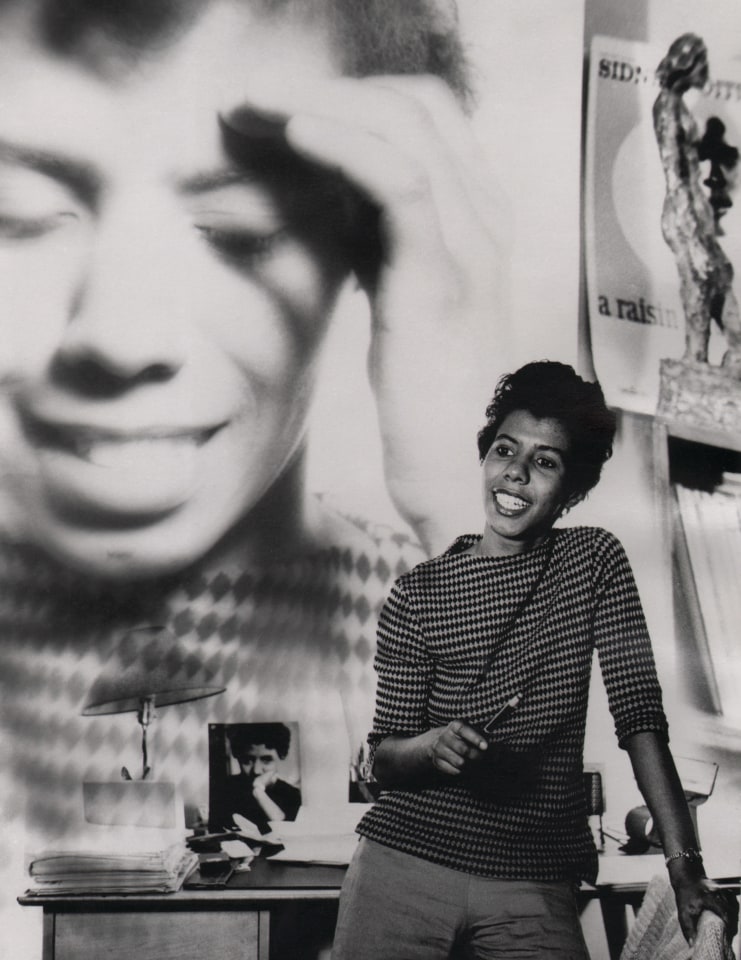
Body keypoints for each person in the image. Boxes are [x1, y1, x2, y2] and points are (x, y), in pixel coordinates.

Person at [0, 2, 505, 956]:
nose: (122, 332)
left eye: (239, 229)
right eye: (18, 219)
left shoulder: (422, 608)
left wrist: (459, 485)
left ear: (369, 255)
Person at [333, 361, 737, 960]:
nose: (517, 472)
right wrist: (432, 745)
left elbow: (640, 718)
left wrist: (685, 866)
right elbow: (385, 762)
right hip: (404, 862)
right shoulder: (417, 593)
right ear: (485, 456)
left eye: (545, 461)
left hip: (535, 875)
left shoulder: (595, 561)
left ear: (572, 490)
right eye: (505, 450)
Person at [653, 32, 741, 374]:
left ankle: (735, 352)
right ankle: (695, 358)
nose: (705, 70)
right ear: (687, 65)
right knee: (699, 280)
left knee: (719, 274)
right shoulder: (667, 108)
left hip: (694, 206)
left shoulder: (677, 106)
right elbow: (674, 173)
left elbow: (685, 156)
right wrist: (691, 227)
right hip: (683, 210)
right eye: (701, 63)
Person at [212, 723, 302, 834]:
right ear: (237, 756)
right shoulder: (222, 791)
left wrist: (258, 792)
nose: (256, 770)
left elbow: (288, 836)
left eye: (267, 760)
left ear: (281, 756)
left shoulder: (292, 796)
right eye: (247, 760)